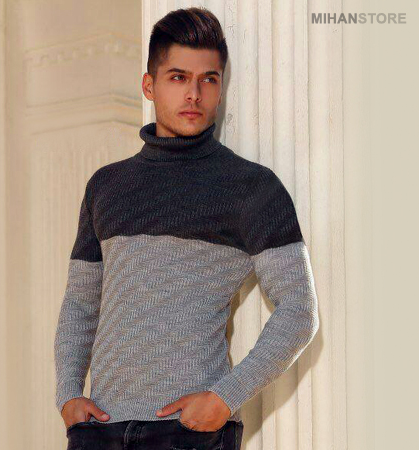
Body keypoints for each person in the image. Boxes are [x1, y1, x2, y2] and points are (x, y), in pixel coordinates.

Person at [54, 6, 320, 450]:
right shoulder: (106, 186)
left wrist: (225, 398)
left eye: (208, 79)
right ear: (149, 85)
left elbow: (299, 310)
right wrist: (67, 395)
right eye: (178, 77)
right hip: (100, 431)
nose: (194, 94)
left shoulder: (251, 188)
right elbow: (81, 302)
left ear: (220, 88)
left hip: (190, 434)